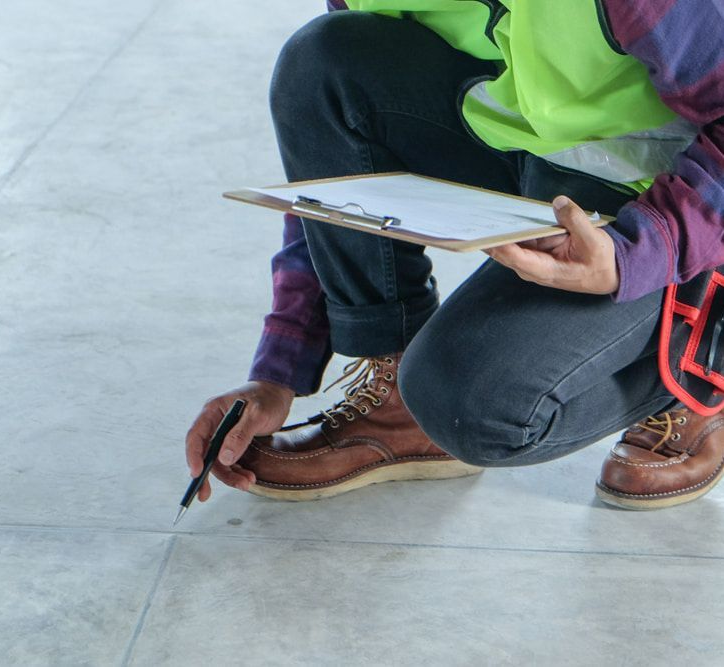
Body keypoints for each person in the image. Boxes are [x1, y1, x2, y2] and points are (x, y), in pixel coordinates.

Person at [185, 0, 724, 510]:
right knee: (323, 60)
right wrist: (280, 368)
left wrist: (640, 250)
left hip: (668, 199)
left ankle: (700, 365)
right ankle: (398, 406)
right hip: (535, 154)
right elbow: (334, 191)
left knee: (477, 406)